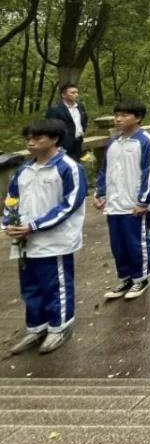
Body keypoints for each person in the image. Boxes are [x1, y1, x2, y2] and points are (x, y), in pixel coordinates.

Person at [3, 120, 87, 355]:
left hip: (55, 239)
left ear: (54, 140)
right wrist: (9, 223)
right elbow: (12, 199)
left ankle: (60, 327)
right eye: (29, 138)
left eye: (38, 138)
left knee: (55, 284)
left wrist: (35, 225)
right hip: (25, 240)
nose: (31, 142)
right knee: (30, 286)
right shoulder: (23, 170)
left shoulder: (68, 167)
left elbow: (70, 204)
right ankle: (36, 327)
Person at [95, 100, 150, 301]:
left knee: (136, 243)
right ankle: (125, 278)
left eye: (124, 115)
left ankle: (141, 278)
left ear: (138, 117)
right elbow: (105, 170)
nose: (118, 119)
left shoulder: (146, 141)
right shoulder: (113, 142)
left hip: (135, 205)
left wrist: (143, 201)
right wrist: (101, 193)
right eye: (117, 115)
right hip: (115, 204)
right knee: (118, 244)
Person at [45, 84, 88, 161]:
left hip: (78, 142)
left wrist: (82, 131)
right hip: (62, 144)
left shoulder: (80, 106)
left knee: (76, 165)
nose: (76, 95)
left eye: (77, 92)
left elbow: (84, 120)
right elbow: (50, 128)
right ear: (63, 95)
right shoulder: (55, 109)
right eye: (73, 93)